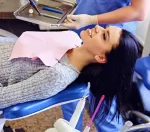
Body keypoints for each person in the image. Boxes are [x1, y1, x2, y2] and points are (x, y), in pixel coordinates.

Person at [38, 0, 150, 131]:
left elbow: (139, 11)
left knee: (103, 106)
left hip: (108, 44)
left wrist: (92, 20)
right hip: (82, 35)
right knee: (70, 94)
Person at [0, 26, 139, 116]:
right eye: (104, 28)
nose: (97, 27)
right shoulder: (71, 38)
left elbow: (3, 98)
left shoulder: (58, 75)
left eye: (104, 36)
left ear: (101, 57)